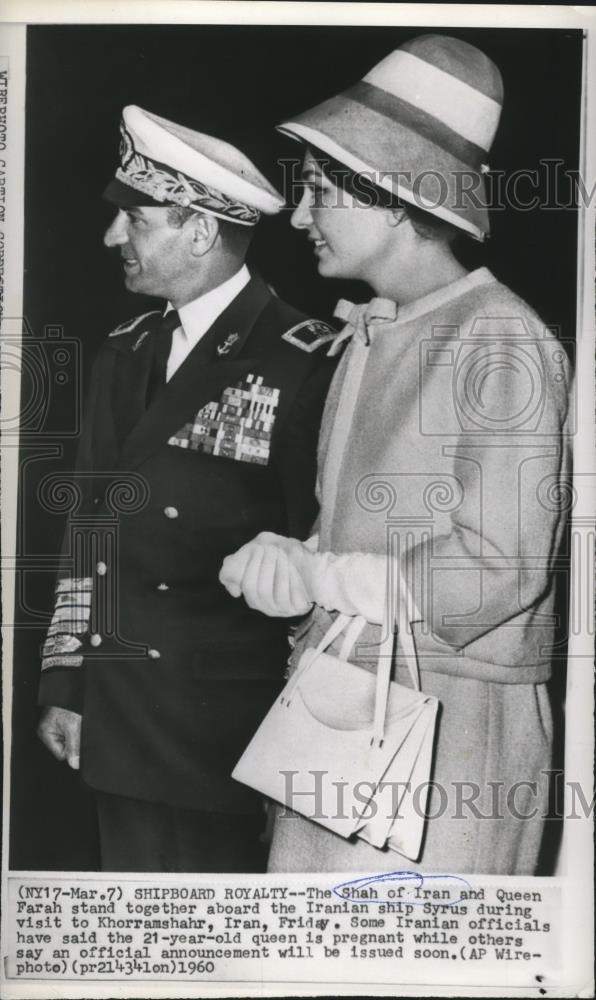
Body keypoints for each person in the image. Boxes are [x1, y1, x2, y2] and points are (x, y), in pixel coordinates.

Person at [220, 35, 573, 874]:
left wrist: (324, 577)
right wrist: (294, 561)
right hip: (345, 706)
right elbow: (363, 541)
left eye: (315, 192)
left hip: (452, 725)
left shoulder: (500, 338)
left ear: (391, 195)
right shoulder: (376, 332)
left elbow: (501, 569)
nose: (298, 217)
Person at [37, 105, 337, 873]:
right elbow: (88, 530)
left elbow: (321, 555)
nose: (112, 238)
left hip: (225, 735)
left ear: (199, 231)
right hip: (118, 716)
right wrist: (67, 681)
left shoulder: (307, 358)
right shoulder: (124, 350)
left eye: (134, 221)